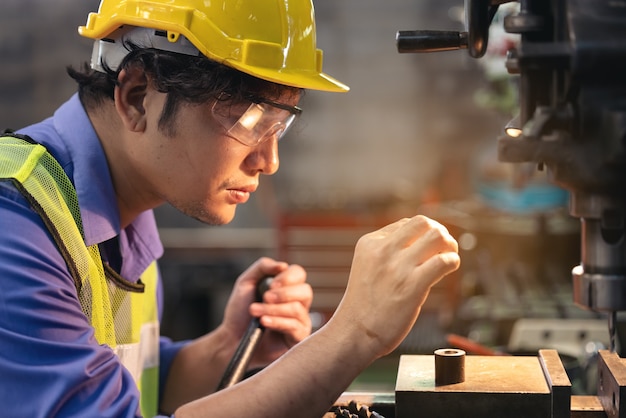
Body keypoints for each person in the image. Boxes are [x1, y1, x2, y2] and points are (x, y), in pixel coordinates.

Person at [0, 0, 460, 417]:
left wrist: (226, 348)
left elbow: (131, 386)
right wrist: (354, 334)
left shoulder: (123, 210)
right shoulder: (15, 225)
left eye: (277, 126)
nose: (268, 161)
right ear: (138, 95)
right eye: (249, 120)